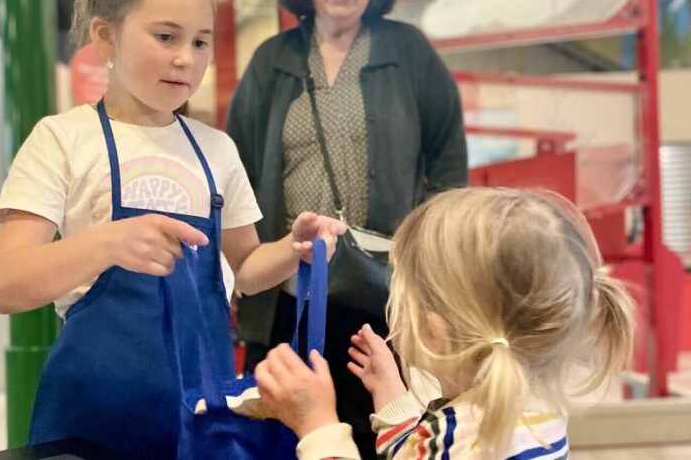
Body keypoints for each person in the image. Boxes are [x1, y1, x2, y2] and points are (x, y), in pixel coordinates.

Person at [0, 0, 346, 460]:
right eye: (165, 36)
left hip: (202, 413)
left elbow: (243, 268)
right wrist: (107, 243)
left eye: (201, 42)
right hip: (93, 413)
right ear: (105, 37)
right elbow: (5, 285)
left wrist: (294, 249)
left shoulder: (216, 149)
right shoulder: (62, 139)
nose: (185, 58)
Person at [226, 0, 467, 457]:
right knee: (282, 427)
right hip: (289, 289)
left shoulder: (408, 53)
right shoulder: (271, 60)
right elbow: (234, 172)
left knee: (382, 423)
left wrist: (425, 253)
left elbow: (449, 163)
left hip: (384, 292)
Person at [255, 187, 636, 459]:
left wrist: (318, 425)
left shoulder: (455, 439)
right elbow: (421, 449)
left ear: (434, 333)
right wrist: (393, 397)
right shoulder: (537, 415)